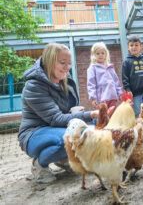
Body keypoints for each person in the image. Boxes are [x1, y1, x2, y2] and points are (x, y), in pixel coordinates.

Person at [18, 43, 99, 184]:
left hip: (56, 127)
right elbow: (56, 118)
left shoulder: (64, 81)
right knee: (68, 139)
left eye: (69, 63)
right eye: (62, 63)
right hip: (35, 132)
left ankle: (64, 159)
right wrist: (89, 114)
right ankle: (40, 165)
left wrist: (77, 112)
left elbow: (65, 112)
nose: (67, 67)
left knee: (92, 127)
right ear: (50, 61)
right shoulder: (34, 86)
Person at [122, 35, 143, 117]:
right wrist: (127, 89)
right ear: (128, 47)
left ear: (141, 46)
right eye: (131, 45)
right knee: (137, 113)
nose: (134, 47)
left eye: (136, 45)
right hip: (135, 93)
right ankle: (139, 128)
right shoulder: (126, 62)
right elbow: (124, 77)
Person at [87, 42, 123, 109]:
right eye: (97, 53)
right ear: (93, 55)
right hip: (101, 98)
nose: (100, 55)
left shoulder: (110, 67)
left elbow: (116, 82)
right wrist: (93, 98)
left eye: (103, 53)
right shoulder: (92, 68)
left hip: (113, 97)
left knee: (112, 116)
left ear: (106, 54)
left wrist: (120, 93)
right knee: (103, 116)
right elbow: (91, 84)